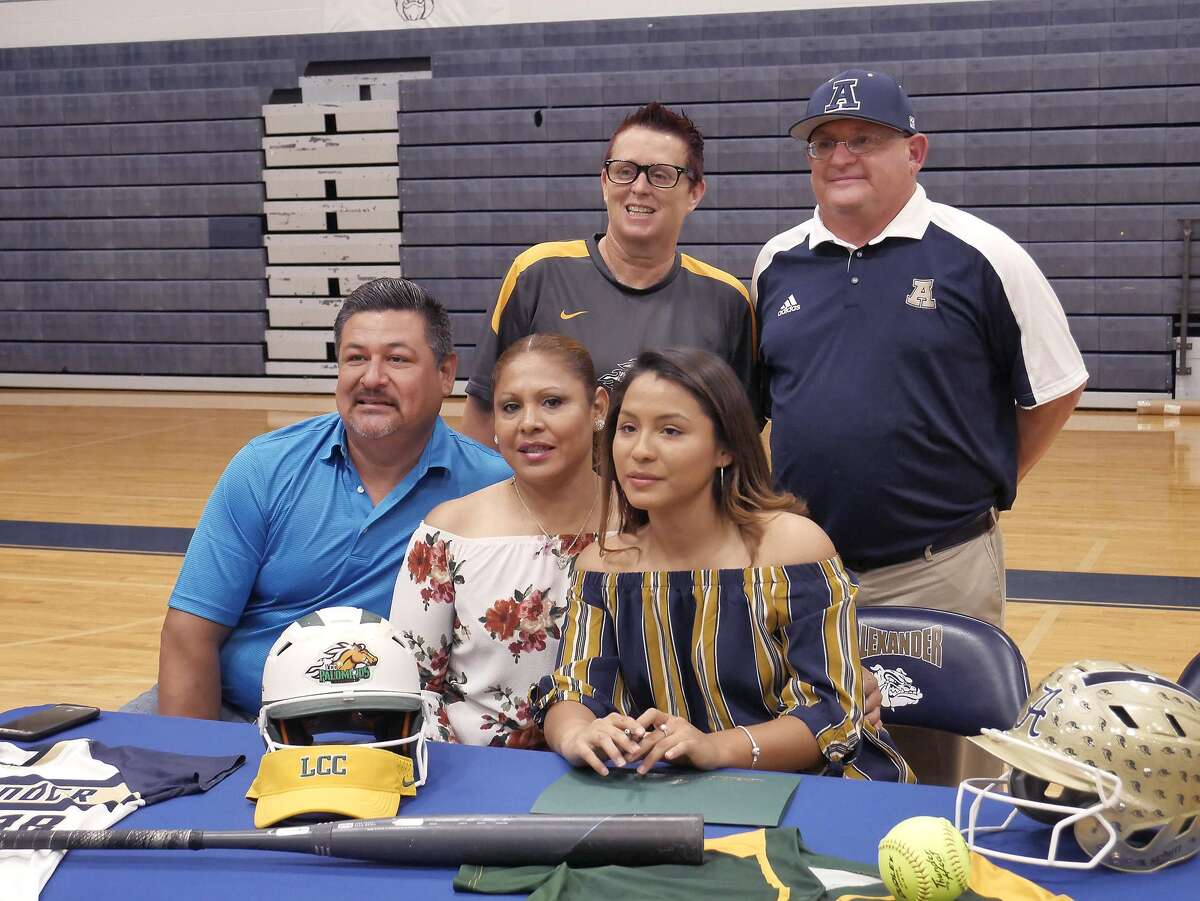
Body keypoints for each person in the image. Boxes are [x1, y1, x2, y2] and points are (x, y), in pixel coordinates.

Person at [753, 69, 1088, 628]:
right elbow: (765, 405)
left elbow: (1058, 386)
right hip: (801, 569)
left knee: (938, 720)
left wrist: (983, 484)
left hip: (939, 572)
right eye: (825, 142)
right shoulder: (777, 262)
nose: (841, 157)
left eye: (864, 139)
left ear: (915, 152)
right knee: (803, 717)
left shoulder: (984, 255)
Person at [533, 348, 912, 781]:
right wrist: (575, 733)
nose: (640, 451)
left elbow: (832, 715)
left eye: (671, 431)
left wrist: (715, 748)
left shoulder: (794, 549)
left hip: (811, 785)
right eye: (628, 429)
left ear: (726, 449)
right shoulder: (601, 566)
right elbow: (574, 686)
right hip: (663, 788)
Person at [144, 278, 511, 720]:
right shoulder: (264, 467)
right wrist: (200, 766)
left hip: (406, 732)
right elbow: (189, 636)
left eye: (397, 359)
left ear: (445, 374)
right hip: (241, 717)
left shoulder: (494, 487)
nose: (372, 378)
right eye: (356, 358)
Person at [460, 101, 758, 446]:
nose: (639, 187)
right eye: (624, 170)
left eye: (661, 175)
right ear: (605, 182)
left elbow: (738, 440)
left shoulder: (727, 300)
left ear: (694, 193)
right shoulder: (537, 274)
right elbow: (482, 417)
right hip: (553, 500)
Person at [390, 335, 609, 748]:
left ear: (597, 407)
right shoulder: (448, 533)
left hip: (620, 767)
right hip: (477, 768)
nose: (529, 422)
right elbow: (413, 688)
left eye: (552, 402)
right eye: (511, 407)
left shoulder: (644, 523)